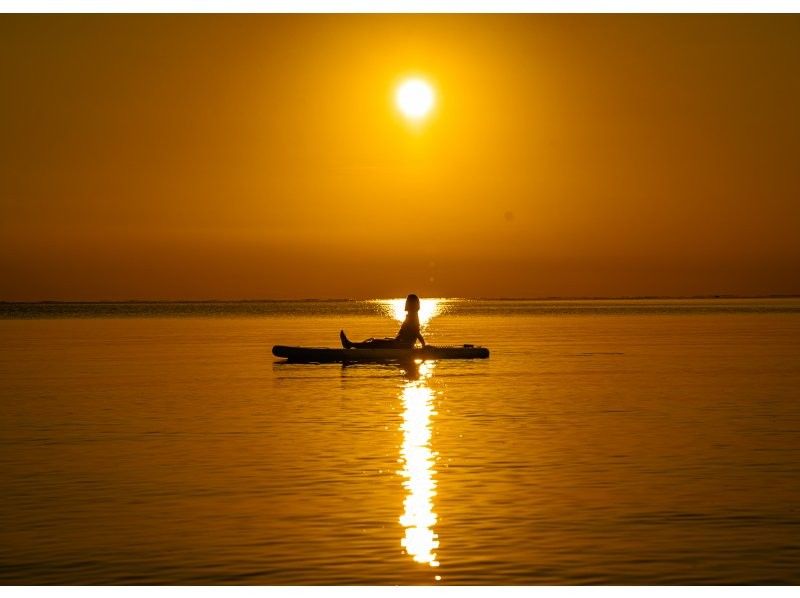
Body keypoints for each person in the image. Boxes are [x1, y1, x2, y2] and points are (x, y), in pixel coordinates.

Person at [340, 294, 426, 349]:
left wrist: (423, 346)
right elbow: (412, 333)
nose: (406, 303)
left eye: (407, 301)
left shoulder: (413, 317)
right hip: (400, 344)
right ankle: (352, 345)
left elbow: (416, 333)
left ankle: (350, 345)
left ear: (411, 304)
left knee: (374, 342)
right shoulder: (412, 315)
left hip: (402, 346)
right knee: (377, 340)